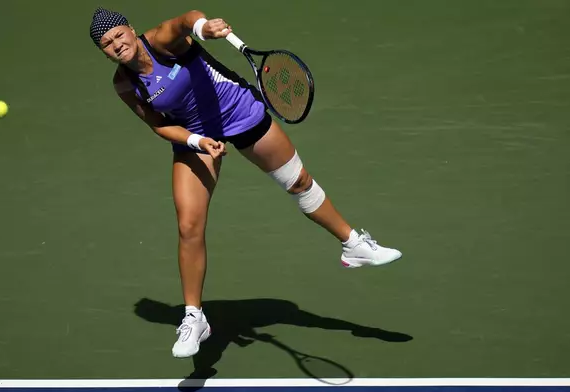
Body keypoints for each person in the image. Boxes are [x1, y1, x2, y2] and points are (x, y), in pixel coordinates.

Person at [89, 7, 403, 359]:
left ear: (131, 30)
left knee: (298, 182)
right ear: (102, 52)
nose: (116, 45)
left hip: (238, 109)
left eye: (119, 35)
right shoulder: (124, 83)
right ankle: (194, 318)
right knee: (189, 224)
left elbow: (185, 20)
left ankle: (353, 245)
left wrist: (204, 27)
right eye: (106, 44)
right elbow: (159, 125)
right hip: (196, 134)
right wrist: (196, 142)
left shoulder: (161, 41)